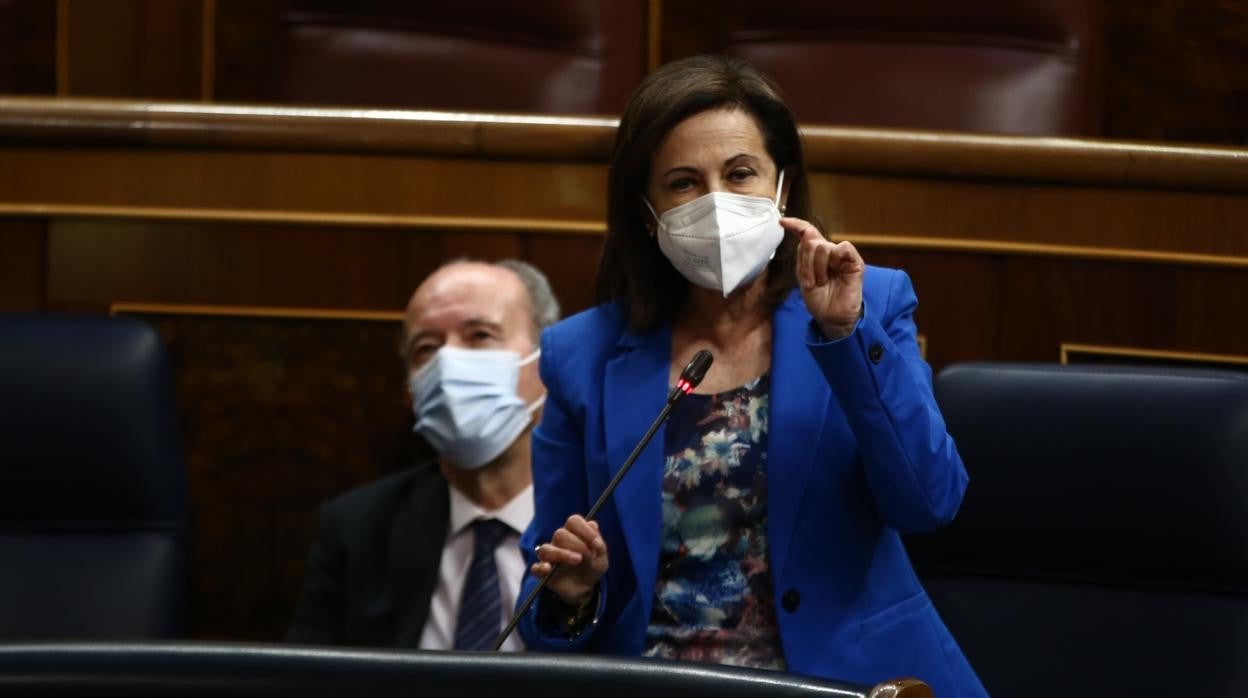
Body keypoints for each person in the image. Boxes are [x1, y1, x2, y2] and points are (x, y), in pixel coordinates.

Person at [515, 55, 988, 697]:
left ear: (782, 187)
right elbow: (548, 602)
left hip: (850, 684)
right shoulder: (581, 354)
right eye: (684, 183)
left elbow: (930, 501)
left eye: (740, 174)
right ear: (648, 212)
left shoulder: (869, 303)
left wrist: (845, 337)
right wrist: (572, 592)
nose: (716, 202)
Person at [287, 258, 558, 650]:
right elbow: (303, 677)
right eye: (425, 348)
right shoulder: (357, 529)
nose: (448, 363)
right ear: (410, 390)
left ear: (547, 360)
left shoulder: (607, 516)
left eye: (480, 335)